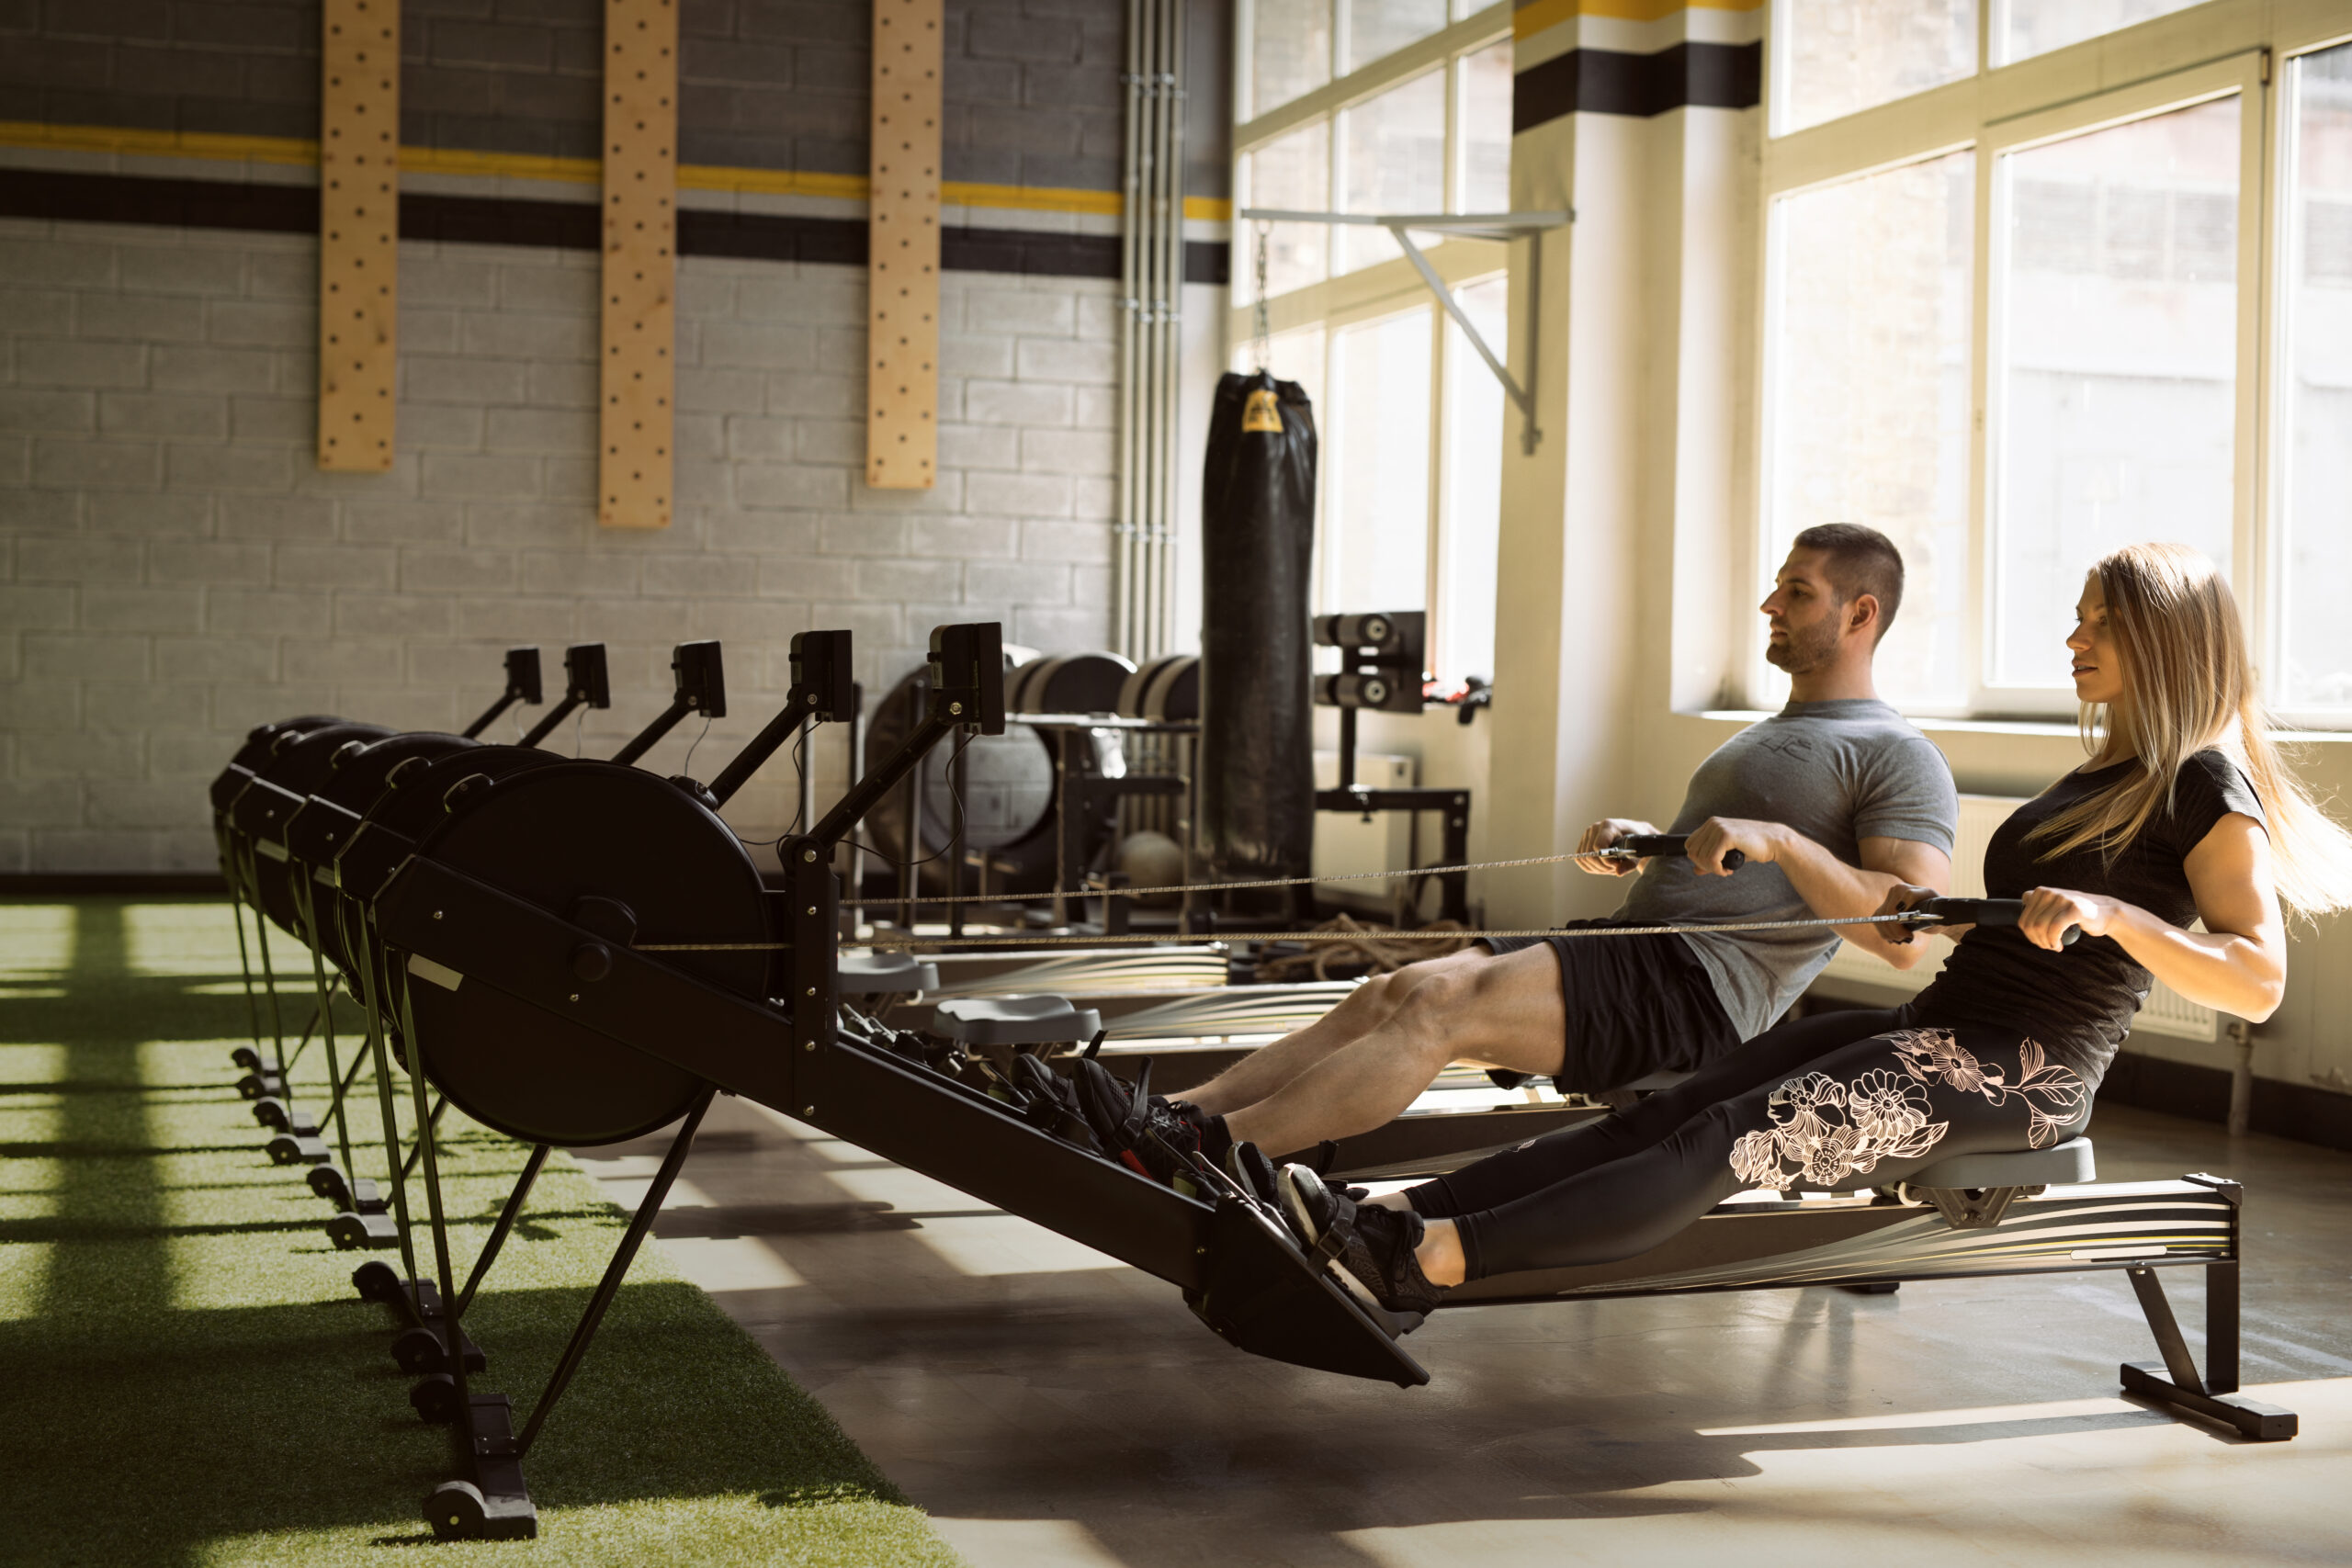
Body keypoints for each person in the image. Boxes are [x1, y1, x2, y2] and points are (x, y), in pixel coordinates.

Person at [1274, 542, 2352, 1320]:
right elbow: (1924, 926)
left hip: (2026, 1074)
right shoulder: (2103, 772)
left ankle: (1424, 1262)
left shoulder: (2204, 781)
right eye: (2074, 616)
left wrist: (2113, 915)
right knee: (1676, 1107)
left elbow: (2254, 982)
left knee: (1725, 1141)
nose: (2072, 638)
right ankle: (1387, 1210)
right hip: (1947, 1027)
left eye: (2097, 621)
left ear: (2162, 637)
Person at [1091, 524, 1960, 1180]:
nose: (1770, 606)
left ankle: (1204, 1152)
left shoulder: (1897, 754)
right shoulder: (1772, 733)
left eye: (1796, 592)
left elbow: (1907, 934)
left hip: (1701, 993)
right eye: (1776, 588)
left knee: (1439, 1007)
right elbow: (1732, 864)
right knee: (1393, 989)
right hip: (1638, 949)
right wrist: (1644, 845)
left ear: (1861, 612)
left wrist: (1783, 840)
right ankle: (1166, 1114)